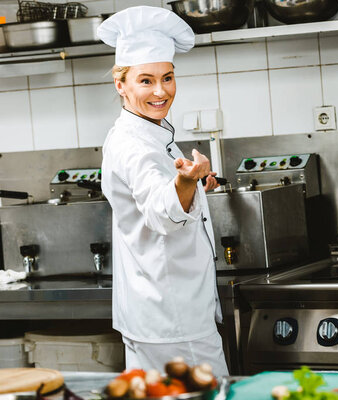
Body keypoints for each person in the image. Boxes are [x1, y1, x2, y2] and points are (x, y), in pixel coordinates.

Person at [97, 6, 228, 375]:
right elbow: (161, 211)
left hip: (159, 312)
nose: (161, 91)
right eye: (146, 80)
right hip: (172, 318)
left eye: (167, 77)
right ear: (120, 84)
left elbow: (160, 190)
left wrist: (194, 185)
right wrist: (185, 183)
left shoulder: (148, 132)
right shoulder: (134, 143)